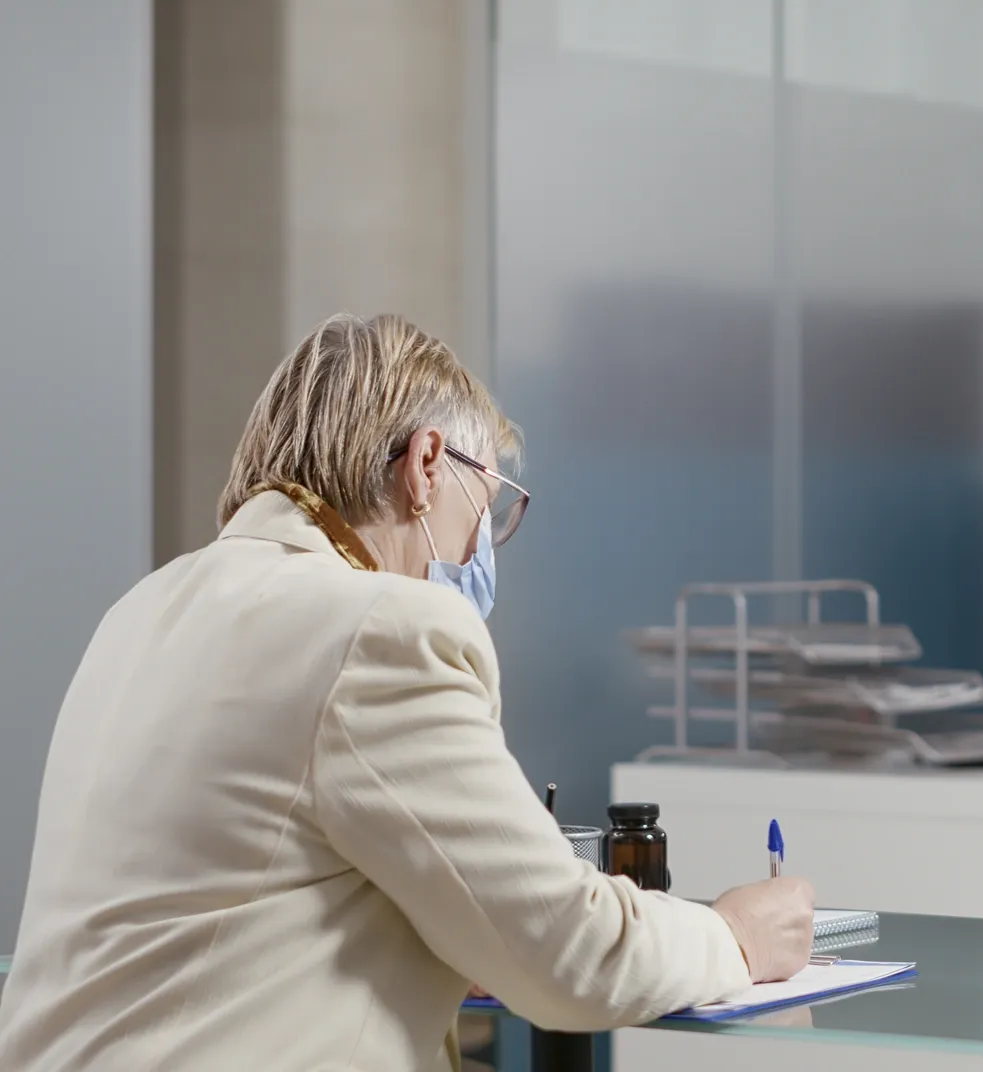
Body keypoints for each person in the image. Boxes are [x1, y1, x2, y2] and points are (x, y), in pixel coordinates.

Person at [0, 315, 815, 1071]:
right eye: (487, 509)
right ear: (427, 466)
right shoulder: (378, 627)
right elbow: (570, 954)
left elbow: (258, 890)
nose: (482, 550)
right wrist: (735, 934)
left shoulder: (145, 608)